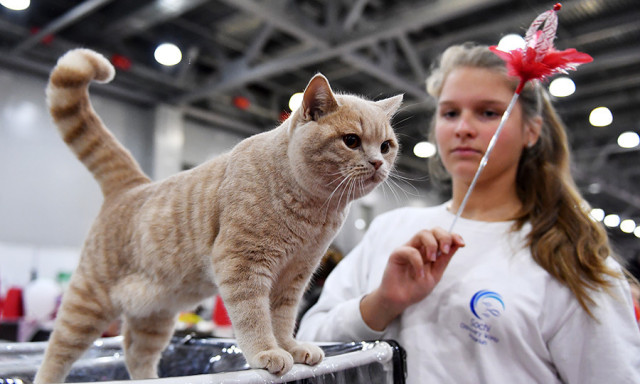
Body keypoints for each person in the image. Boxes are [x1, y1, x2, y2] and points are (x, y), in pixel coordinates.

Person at [296, 43, 640, 383]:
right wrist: (381, 303)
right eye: (450, 113)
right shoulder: (390, 229)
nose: (463, 128)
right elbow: (311, 340)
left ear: (531, 131)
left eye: (488, 112)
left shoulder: (570, 260)